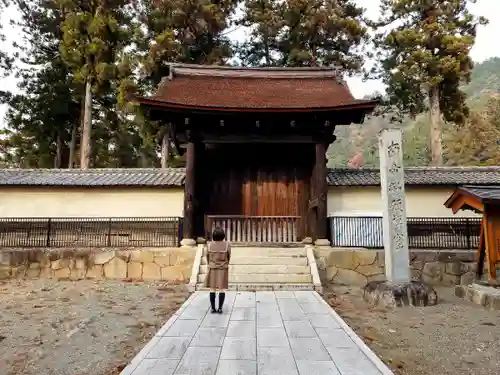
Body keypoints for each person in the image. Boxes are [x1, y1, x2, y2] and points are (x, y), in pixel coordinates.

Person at [205, 227, 231, 313]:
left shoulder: (209, 245)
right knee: (221, 289)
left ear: (213, 235)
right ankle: (220, 308)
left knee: (212, 289)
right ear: (223, 236)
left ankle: (212, 308)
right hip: (223, 268)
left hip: (212, 268)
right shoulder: (227, 245)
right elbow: (229, 256)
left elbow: (207, 256)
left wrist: (210, 264)